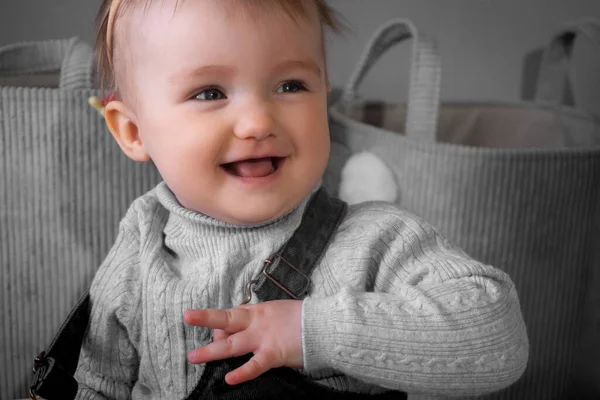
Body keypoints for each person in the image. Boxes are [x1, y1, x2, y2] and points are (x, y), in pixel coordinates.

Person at [73, 0, 529, 399]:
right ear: (133, 132)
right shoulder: (142, 245)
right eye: (209, 93)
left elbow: (500, 338)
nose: (256, 121)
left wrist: (312, 331)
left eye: (290, 85)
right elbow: (98, 384)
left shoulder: (374, 242)